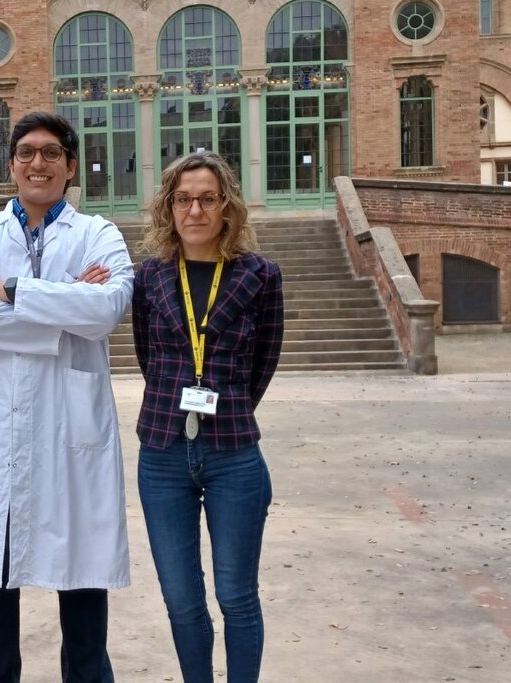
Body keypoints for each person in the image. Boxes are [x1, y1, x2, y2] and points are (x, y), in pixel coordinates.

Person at [0, 111, 134, 682]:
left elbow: (105, 313)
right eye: (26, 152)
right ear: (11, 166)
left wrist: (14, 290)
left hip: (72, 434)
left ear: (70, 167)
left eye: (51, 153)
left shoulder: (100, 233)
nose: (38, 163)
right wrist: (65, 303)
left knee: (83, 602)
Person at [132, 151, 284, 682]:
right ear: (169, 208)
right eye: (183, 199)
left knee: (237, 596)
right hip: (163, 453)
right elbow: (149, 358)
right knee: (180, 598)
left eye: (207, 198)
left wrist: (231, 406)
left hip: (234, 455)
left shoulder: (260, 276)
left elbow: (264, 360)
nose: (194, 210)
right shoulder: (149, 277)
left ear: (227, 207)